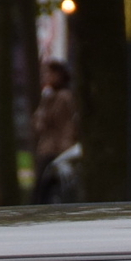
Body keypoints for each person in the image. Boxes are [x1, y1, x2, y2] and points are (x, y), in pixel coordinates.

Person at [30, 59, 75, 195]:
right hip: (49, 148)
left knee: (44, 190)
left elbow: (48, 120)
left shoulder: (62, 97)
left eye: (48, 74)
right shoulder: (50, 96)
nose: (46, 77)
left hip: (56, 150)